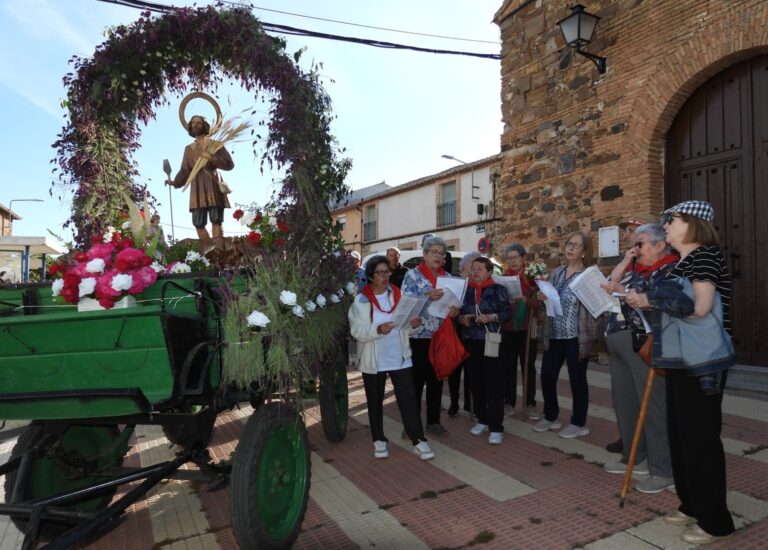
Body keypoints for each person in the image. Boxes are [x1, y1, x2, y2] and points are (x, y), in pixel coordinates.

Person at [626, 200, 735, 545]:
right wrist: (645, 300)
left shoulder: (704, 256)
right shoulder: (682, 263)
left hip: (702, 362)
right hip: (680, 360)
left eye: (671, 220)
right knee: (681, 436)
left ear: (692, 224)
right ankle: (692, 504)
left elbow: (700, 309)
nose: (666, 225)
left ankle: (715, 520)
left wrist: (649, 301)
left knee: (700, 440)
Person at [600, 224, 678, 494]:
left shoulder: (669, 269)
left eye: (640, 244)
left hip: (644, 344)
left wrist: (634, 295)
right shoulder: (637, 269)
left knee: (654, 408)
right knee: (626, 404)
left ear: (659, 245)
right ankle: (636, 457)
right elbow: (613, 283)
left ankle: (663, 468)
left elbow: (666, 302)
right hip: (619, 342)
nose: (635, 249)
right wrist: (626, 262)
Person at [348, 255, 434, 460]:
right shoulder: (361, 302)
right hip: (374, 359)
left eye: (387, 272)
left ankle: (418, 440)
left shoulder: (399, 295)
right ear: (370, 275)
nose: (385, 276)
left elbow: (406, 329)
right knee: (375, 401)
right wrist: (378, 329)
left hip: (400, 356)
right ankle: (378, 440)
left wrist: (414, 326)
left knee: (409, 400)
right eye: (380, 273)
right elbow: (357, 331)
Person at [533, 231, 602, 439]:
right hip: (554, 334)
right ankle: (551, 416)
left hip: (576, 336)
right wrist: (542, 297)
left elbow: (598, 306)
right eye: (568, 244)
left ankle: (579, 422)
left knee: (577, 379)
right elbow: (550, 300)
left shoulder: (589, 276)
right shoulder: (557, 273)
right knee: (546, 375)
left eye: (576, 245)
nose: (570, 248)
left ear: (584, 251)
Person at [401, 235, 458, 436]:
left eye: (441, 253)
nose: (438, 256)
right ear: (424, 254)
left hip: (440, 335)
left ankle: (433, 421)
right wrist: (426, 296)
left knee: (436, 381)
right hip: (418, 337)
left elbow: (455, 306)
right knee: (415, 383)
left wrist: (454, 311)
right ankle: (411, 426)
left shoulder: (449, 279)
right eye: (434, 252)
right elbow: (406, 303)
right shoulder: (413, 276)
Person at [604, 216, 648, 454]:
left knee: (639, 394)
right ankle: (629, 437)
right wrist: (625, 259)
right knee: (623, 395)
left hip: (635, 334)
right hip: (617, 333)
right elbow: (612, 281)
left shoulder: (649, 264)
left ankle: (642, 443)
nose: (624, 235)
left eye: (630, 231)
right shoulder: (629, 261)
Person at [457, 257, 512, 444]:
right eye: (473, 268)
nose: (476, 271)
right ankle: (482, 419)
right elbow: (459, 312)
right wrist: (462, 319)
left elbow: (507, 313)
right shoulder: (467, 291)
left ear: (489, 271)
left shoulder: (498, 290)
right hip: (471, 341)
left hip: (492, 342)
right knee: (476, 382)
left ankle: (496, 427)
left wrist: (491, 317)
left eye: (480, 268)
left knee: (494, 385)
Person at [166, 115, 234, 252]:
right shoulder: (188, 149)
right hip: (196, 185)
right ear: (190, 126)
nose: (195, 125)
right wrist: (176, 182)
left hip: (212, 182)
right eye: (193, 123)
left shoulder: (215, 144)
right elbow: (185, 169)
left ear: (205, 125)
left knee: (216, 218)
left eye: (199, 123)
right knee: (198, 221)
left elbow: (229, 164)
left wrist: (212, 158)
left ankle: (219, 249)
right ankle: (208, 249)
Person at [500, 243, 542, 420]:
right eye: (509, 259)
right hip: (508, 328)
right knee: (508, 367)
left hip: (527, 329)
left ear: (523, 258)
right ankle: (508, 403)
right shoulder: (503, 278)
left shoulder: (533, 278)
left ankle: (530, 404)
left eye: (515, 258)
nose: (512, 261)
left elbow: (541, 303)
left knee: (528, 367)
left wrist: (527, 300)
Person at [447, 252, 480, 417]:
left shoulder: (476, 283)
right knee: (455, 368)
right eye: (473, 263)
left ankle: (469, 403)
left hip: (471, 329)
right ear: (465, 264)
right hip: (455, 329)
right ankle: (454, 402)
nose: (476, 267)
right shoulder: (455, 280)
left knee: (470, 368)